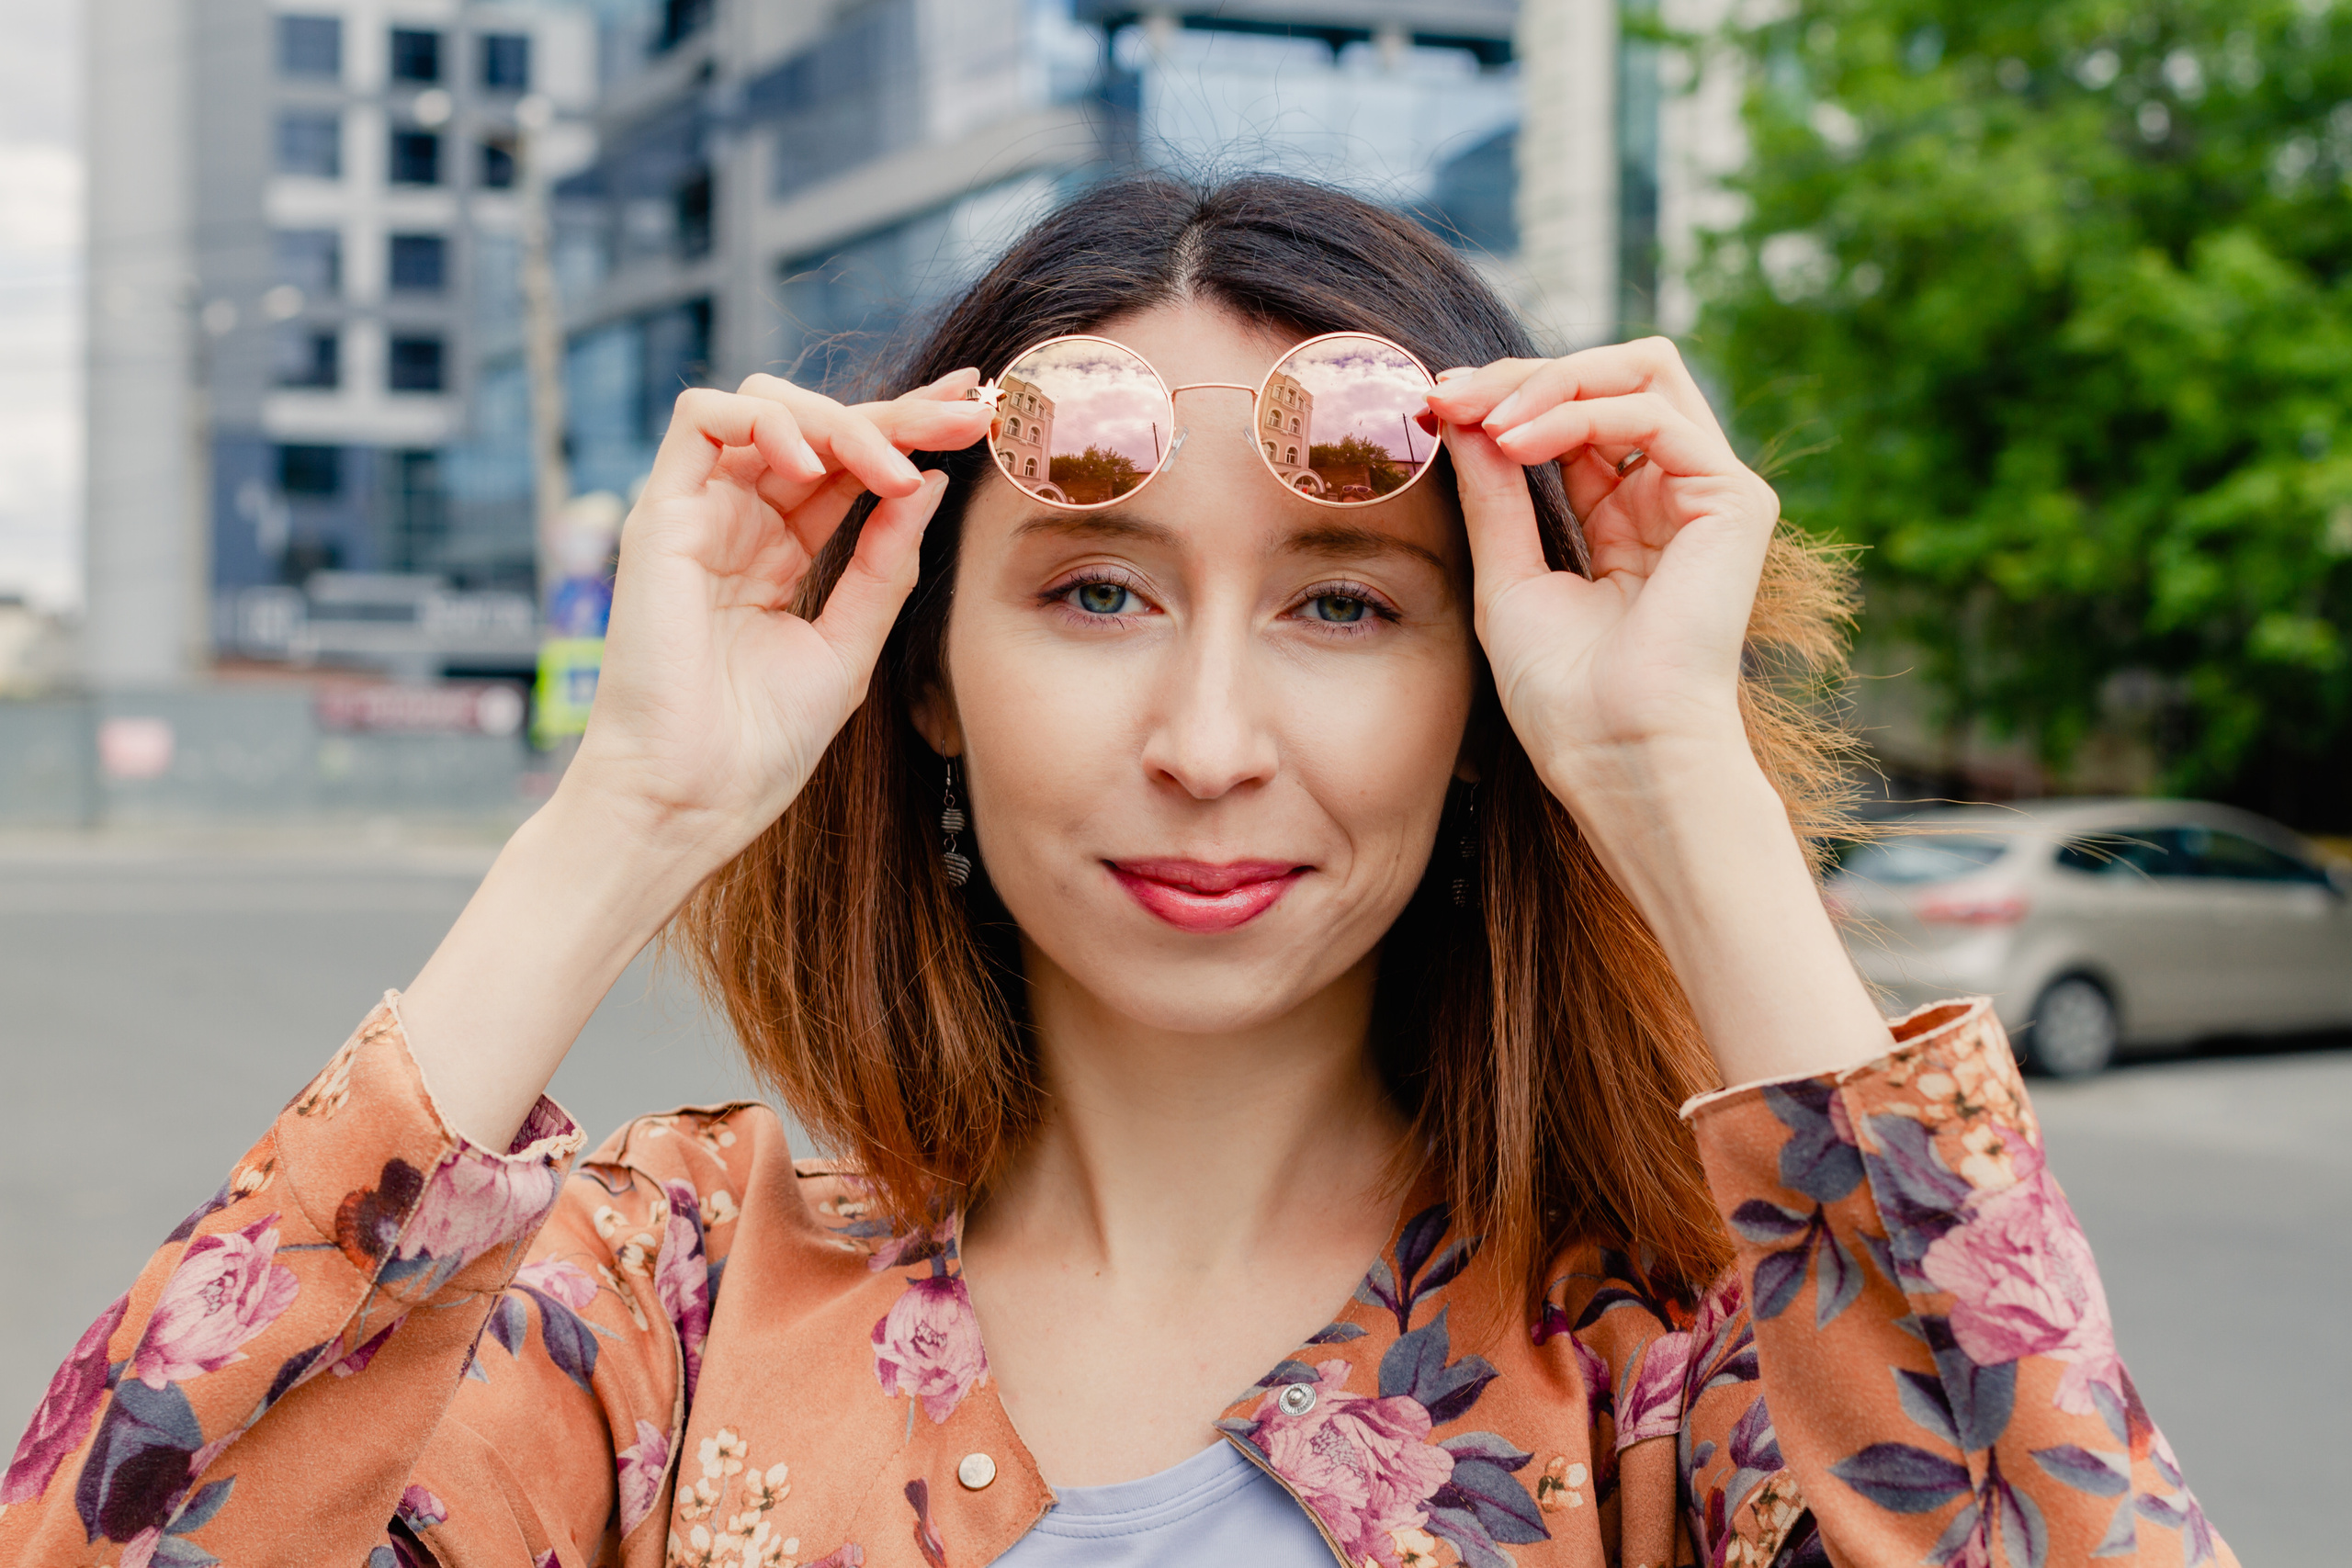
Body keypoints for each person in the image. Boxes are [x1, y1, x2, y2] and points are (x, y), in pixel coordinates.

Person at [1, 175, 2229, 1568]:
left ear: (1485, 693)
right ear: (925, 666)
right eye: (1091, 592)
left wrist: (1668, 775)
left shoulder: (1675, 1374)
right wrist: (630, 812)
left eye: (1345, 603)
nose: (1204, 738)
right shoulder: (646, 1314)